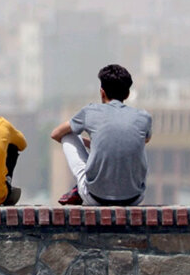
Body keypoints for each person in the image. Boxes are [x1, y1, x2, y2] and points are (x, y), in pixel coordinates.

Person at [51, 64, 152, 206]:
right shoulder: (144, 117)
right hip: (134, 198)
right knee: (137, 145)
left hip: (95, 197)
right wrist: (95, 144)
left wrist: (86, 142)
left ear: (102, 92)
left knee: (68, 135)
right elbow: (144, 140)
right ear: (127, 94)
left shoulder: (90, 111)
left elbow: (56, 134)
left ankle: (79, 189)